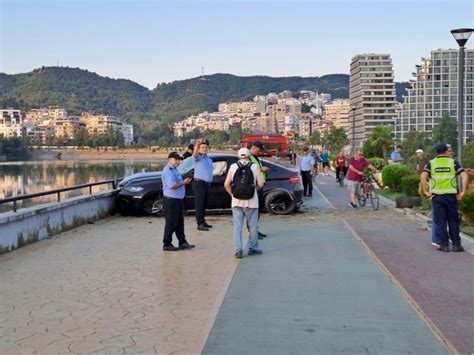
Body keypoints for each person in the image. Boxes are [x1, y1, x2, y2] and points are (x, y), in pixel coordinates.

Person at [420, 143, 468, 252]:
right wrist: (463, 192)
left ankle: (444, 245)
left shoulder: (431, 163)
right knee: (453, 221)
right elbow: (464, 175)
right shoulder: (453, 162)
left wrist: (425, 191)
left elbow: (423, 176)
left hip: (437, 197)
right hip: (451, 196)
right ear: (446, 151)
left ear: (437, 152)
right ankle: (456, 245)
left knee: (440, 222)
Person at [224, 148, 264, 259]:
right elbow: (260, 184)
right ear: (248, 156)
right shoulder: (254, 166)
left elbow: (226, 184)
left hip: (236, 202)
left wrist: (232, 195)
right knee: (253, 226)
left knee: (237, 227)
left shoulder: (233, 166)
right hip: (252, 202)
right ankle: (253, 248)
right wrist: (254, 189)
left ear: (238, 156)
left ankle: (238, 250)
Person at [161, 152, 195, 251]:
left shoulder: (174, 169)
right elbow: (172, 185)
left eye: (179, 159)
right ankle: (167, 243)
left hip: (178, 200)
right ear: (169, 160)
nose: (178, 161)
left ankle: (182, 242)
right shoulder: (168, 170)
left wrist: (183, 182)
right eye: (175, 159)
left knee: (180, 222)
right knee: (171, 222)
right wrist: (183, 183)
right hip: (171, 200)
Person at [249, 141, 269, 238]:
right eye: (259, 150)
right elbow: (249, 170)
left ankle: (255, 229)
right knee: (253, 211)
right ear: (254, 148)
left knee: (257, 210)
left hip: (260, 186)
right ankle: (252, 232)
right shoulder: (248, 157)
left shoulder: (256, 158)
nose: (260, 152)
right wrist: (261, 170)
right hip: (254, 186)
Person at [192, 138, 213, 231]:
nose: (204, 149)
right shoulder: (198, 158)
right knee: (199, 204)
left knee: (204, 203)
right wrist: (197, 143)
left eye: (206, 147)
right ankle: (199, 223)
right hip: (199, 183)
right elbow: (194, 154)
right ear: (199, 149)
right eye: (202, 147)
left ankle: (203, 221)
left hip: (206, 184)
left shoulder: (209, 159)